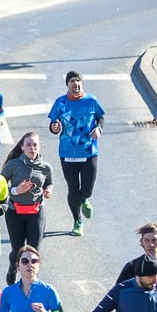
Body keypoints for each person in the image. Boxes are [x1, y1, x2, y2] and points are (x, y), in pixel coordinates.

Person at [47, 71, 105, 235]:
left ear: (82, 83)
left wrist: (99, 129)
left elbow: (101, 117)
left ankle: (85, 198)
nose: (75, 84)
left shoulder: (91, 101)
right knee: (73, 188)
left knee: (87, 188)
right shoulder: (60, 103)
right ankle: (77, 221)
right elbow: (53, 125)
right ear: (67, 84)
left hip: (89, 151)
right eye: (72, 81)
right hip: (68, 153)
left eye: (78, 80)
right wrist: (54, 128)